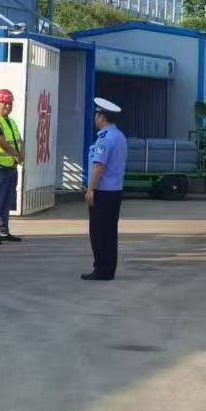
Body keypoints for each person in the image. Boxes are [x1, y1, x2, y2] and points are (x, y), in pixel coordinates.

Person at [84, 97, 129, 281]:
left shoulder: (105, 139)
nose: (95, 118)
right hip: (115, 191)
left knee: (98, 232)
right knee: (110, 232)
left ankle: (101, 269)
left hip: (102, 192)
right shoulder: (119, 136)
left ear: (102, 117)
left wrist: (90, 190)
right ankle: (108, 269)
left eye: (97, 115)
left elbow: (99, 166)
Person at [0, 87, 25, 243]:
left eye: (10, 103)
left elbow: (19, 140)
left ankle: (4, 231)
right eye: (5, 103)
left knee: (7, 202)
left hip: (11, 167)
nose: (8, 106)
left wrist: (22, 154)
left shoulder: (11, 121)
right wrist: (15, 153)